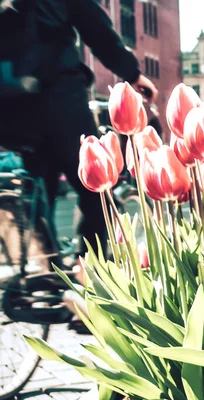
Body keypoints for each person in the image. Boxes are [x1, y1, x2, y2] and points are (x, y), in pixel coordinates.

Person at [0, 0, 158, 260]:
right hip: (59, 99)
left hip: (10, 105)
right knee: (97, 186)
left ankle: (41, 269)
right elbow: (96, 29)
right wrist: (132, 74)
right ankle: (88, 267)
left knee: (35, 190)